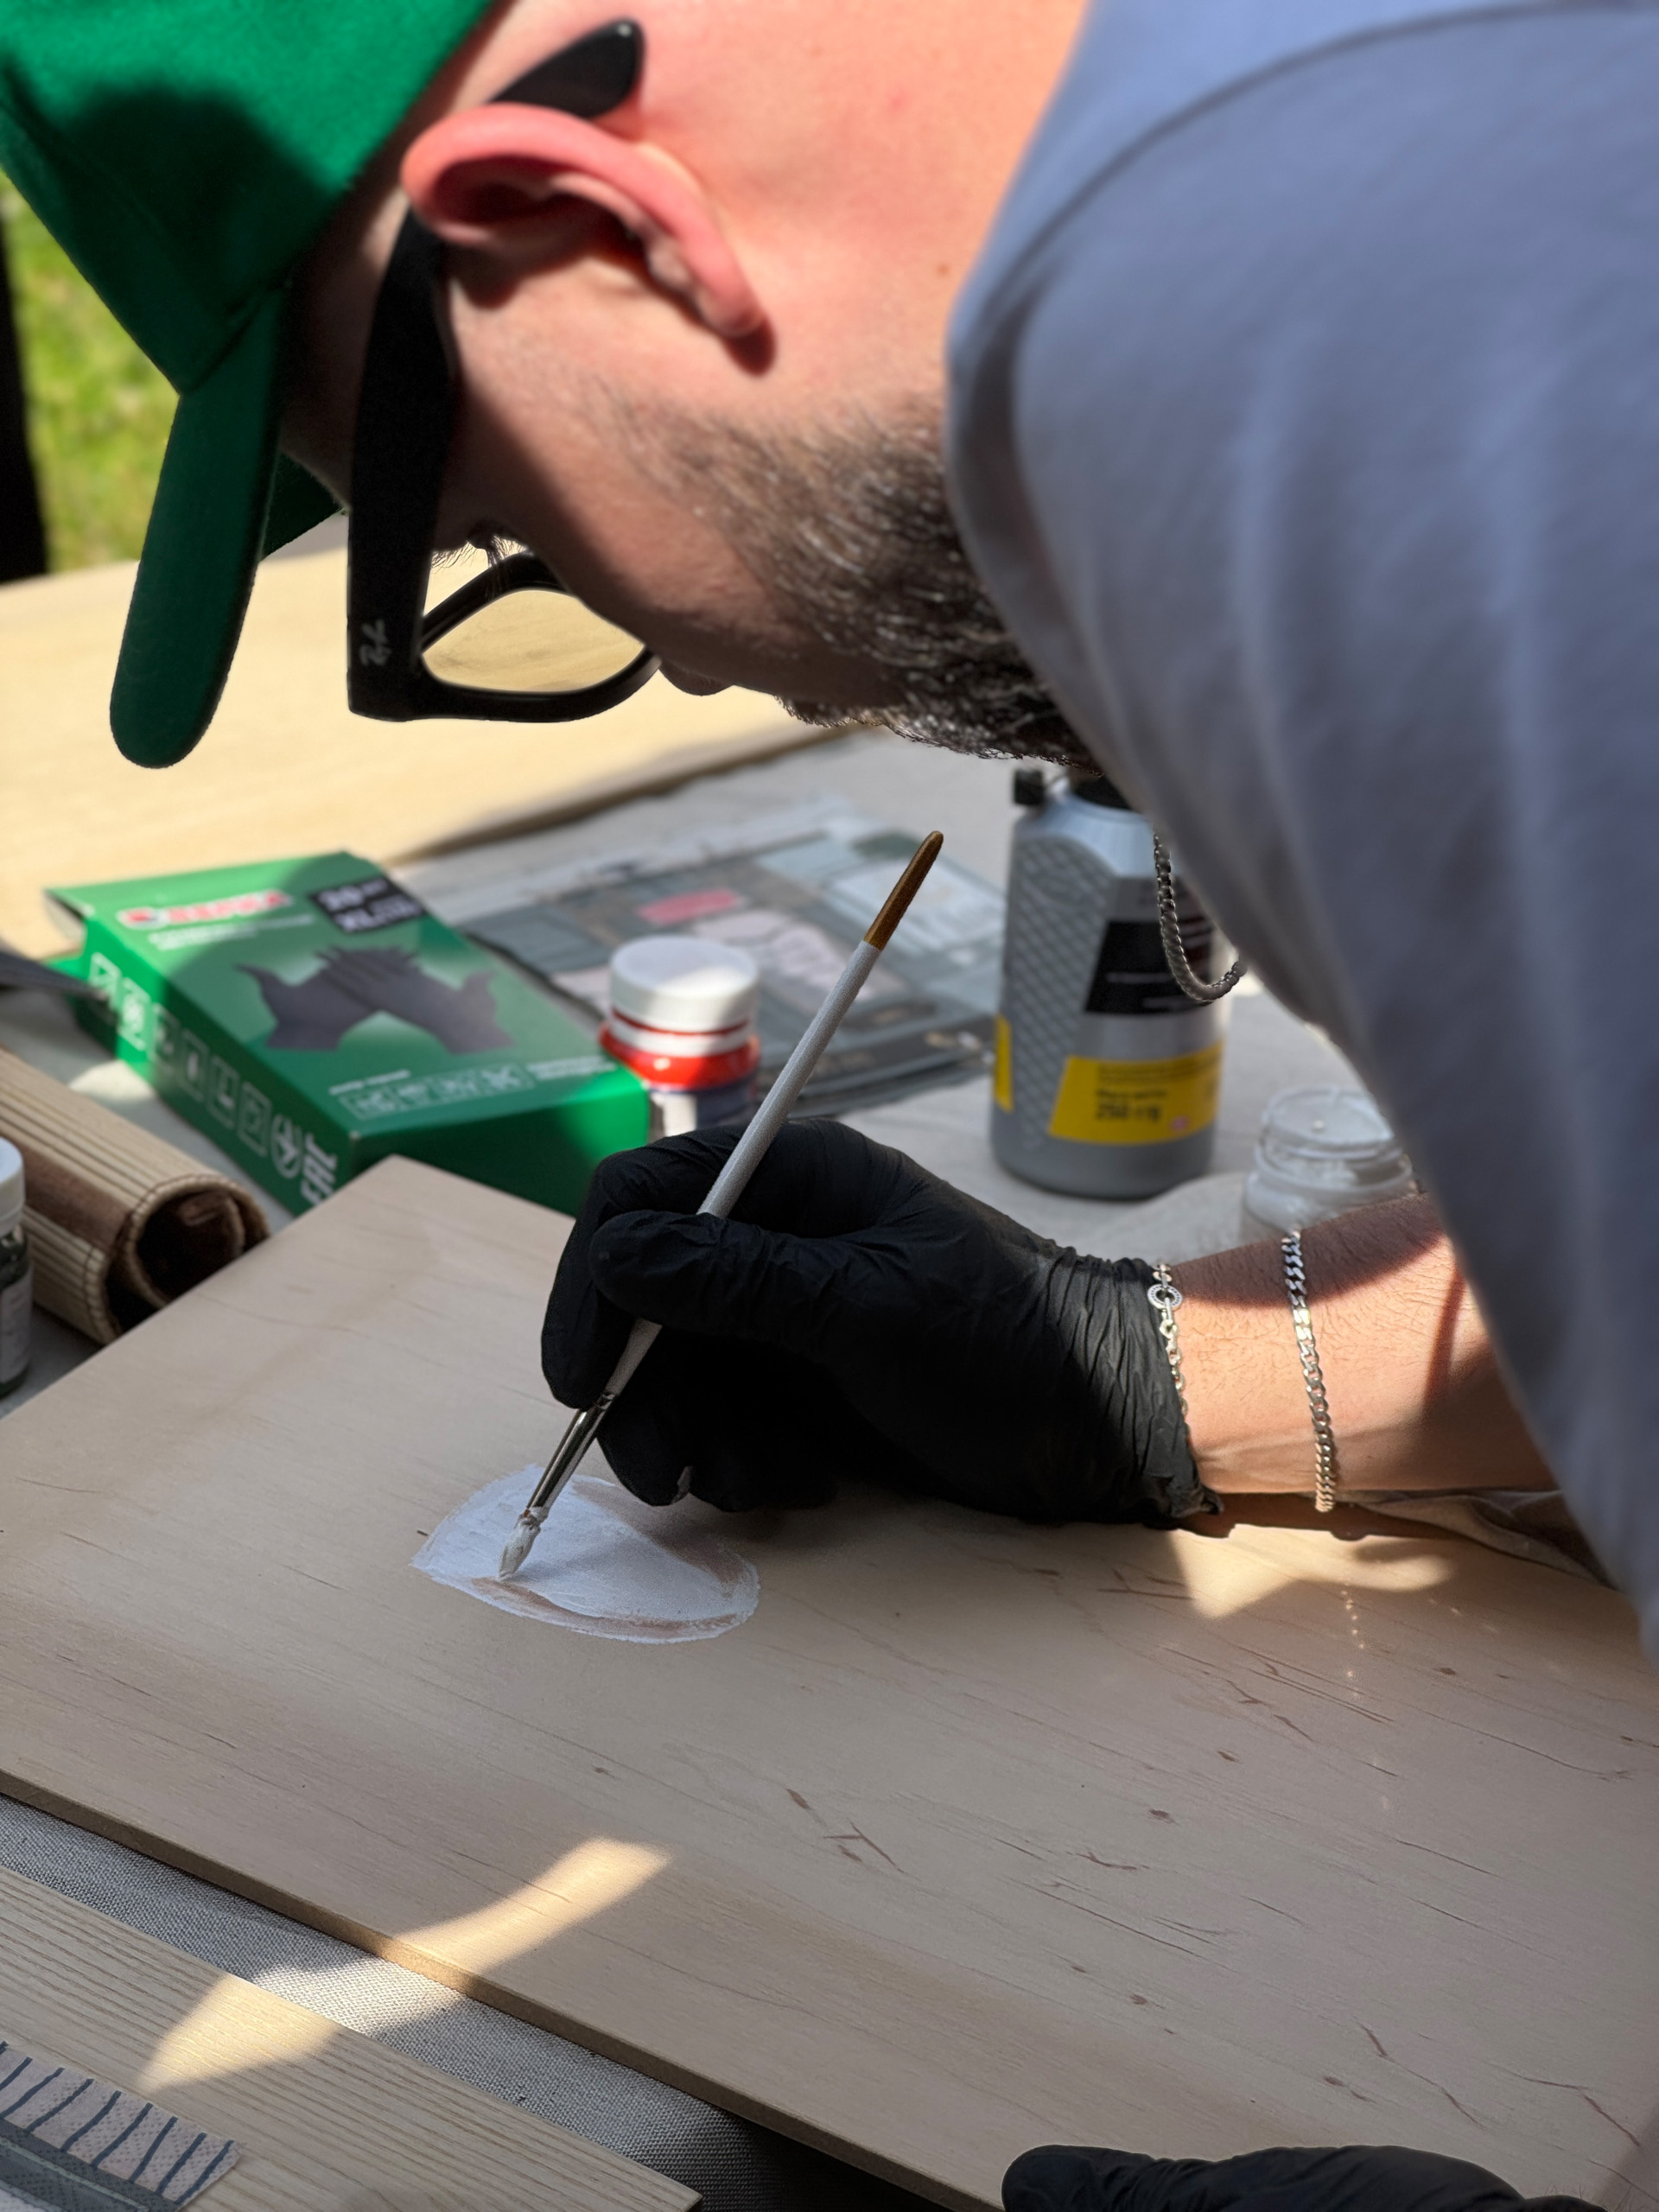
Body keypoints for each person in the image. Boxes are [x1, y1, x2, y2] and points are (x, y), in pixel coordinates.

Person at [0, 2, 1646, 2203]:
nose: (691, 666)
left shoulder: (1379, 452)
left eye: (508, 546)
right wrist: (1150, 1375)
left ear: (587, 217)